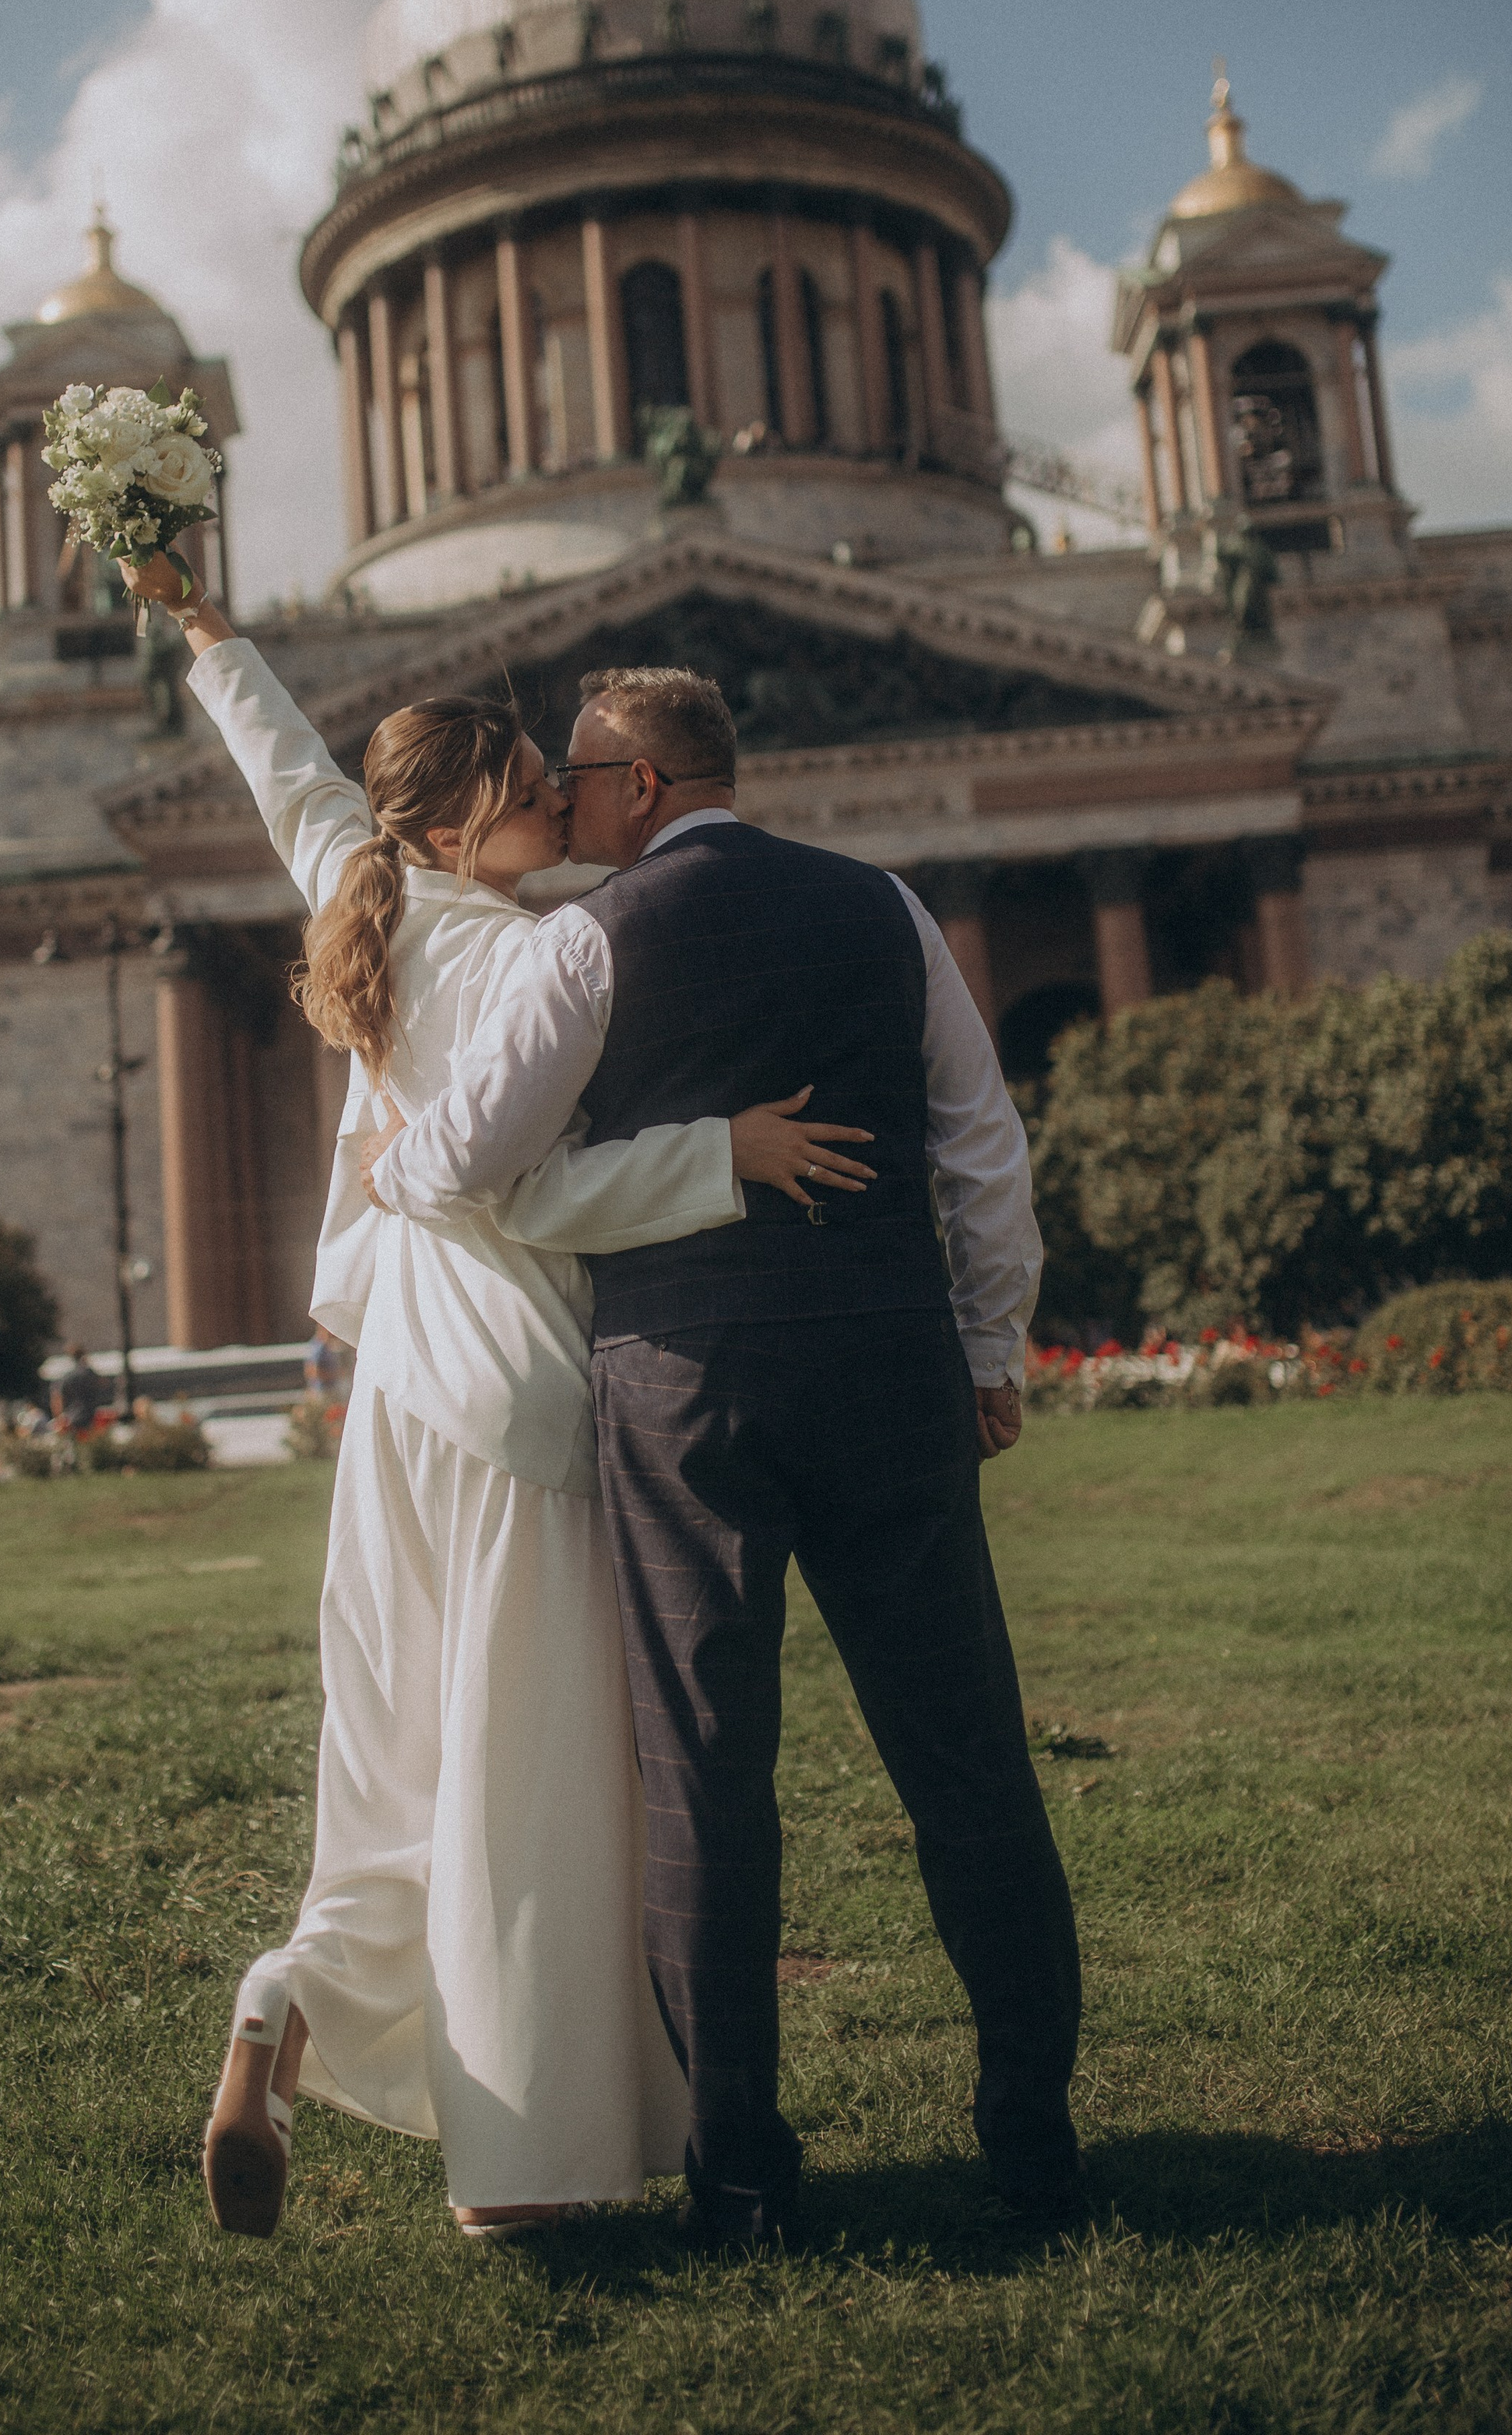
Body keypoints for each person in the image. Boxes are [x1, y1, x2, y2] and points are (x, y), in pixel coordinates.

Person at [121, 554, 870, 2242]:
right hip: (524, 1404)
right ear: (462, 834)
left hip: (388, 1395)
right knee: (530, 1785)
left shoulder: (362, 896)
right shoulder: (539, 960)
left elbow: (295, 780)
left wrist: (200, 624)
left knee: (391, 1759)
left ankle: (278, 2004)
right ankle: (526, 2175)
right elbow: (513, 1196)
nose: (566, 797)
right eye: (536, 788)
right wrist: (719, 1157)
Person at [367, 662, 1083, 2245]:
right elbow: (980, 1147)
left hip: (681, 1394)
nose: (563, 803)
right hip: (890, 1371)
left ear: (635, 784)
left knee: (704, 1787)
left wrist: (390, 1144)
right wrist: (985, 1350)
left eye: (577, 776)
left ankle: (742, 2178)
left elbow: (458, 1163)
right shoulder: (886, 908)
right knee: (967, 1769)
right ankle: (1031, 2145)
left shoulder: (582, 943)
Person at [53, 1346, 104, 1435]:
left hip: (71, 1417)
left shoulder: (67, 1376)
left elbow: (57, 1397)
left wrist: (59, 1418)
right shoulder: (89, 1373)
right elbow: (102, 1383)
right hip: (89, 1415)